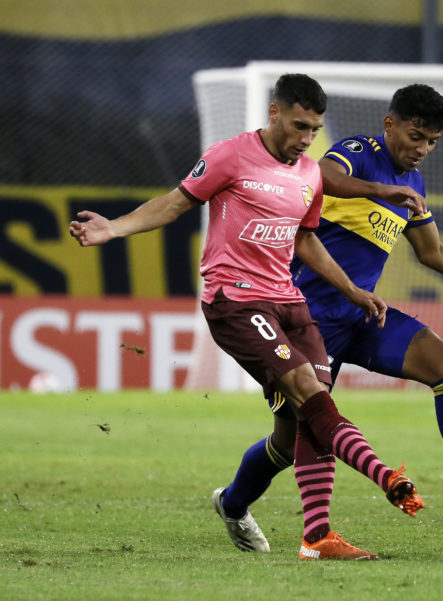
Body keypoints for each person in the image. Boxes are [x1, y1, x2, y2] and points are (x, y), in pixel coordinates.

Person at [69, 73, 423, 561]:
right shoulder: (229, 156)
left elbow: (305, 238)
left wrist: (353, 291)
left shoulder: (310, 174)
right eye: (299, 126)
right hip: (236, 301)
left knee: (303, 422)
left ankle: (250, 510)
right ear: (275, 112)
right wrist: (114, 229)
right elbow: (173, 204)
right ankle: (357, 503)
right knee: (312, 396)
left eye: (314, 130)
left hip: (289, 301)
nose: (306, 139)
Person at [221, 83, 443, 542]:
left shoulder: (413, 184)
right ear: (390, 124)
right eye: (416, 136)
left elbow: (433, 252)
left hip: (361, 315)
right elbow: (320, 176)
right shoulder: (359, 153)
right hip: (304, 322)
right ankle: (233, 504)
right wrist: (383, 190)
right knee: (289, 442)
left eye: (431, 142)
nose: (422, 149)